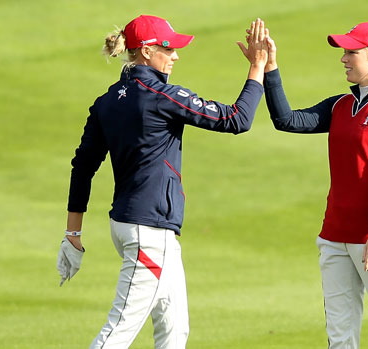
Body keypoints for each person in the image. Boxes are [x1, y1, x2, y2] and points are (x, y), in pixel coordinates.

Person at [56, 15, 268, 348]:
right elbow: (236, 119)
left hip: (132, 226)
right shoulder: (160, 94)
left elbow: (82, 169)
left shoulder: (106, 102)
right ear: (145, 51)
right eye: (168, 48)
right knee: (117, 332)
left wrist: (73, 234)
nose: (175, 56)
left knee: (174, 330)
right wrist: (258, 67)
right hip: (148, 234)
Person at [261, 22, 368, 348]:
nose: (343, 58)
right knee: (339, 337)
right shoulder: (341, 105)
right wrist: (270, 68)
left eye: (351, 52)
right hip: (335, 236)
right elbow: (287, 120)